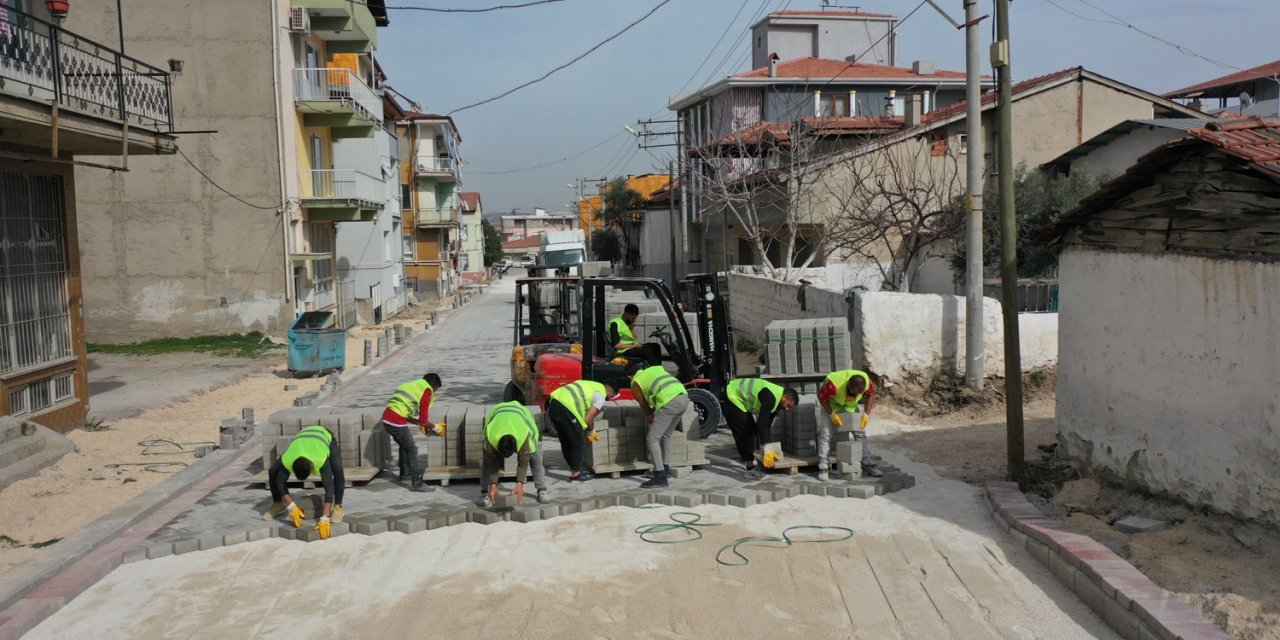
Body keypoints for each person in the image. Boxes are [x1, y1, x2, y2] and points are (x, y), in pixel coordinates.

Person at [262, 424, 344, 540]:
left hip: (323, 435)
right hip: (302, 439)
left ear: (311, 466)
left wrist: (325, 517)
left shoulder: (320, 459)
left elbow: (329, 487)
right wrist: (291, 506)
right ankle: (278, 505)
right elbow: (280, 482)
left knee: (338, 469)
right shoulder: (289, 458)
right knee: (273, 472)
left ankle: (338, 507)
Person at [720, 378, 799, 479]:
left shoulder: (777, 401)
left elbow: (766, 426)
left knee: (752, 430)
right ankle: (750, 469)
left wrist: (769, 447)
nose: (787, 409)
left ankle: (749, 461)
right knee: (746, 432)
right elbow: (762, 424)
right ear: (785, 397)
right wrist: (767, 447)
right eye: (788, 405)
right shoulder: (770, 398)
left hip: (738, 399)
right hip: (730, 397)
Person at [547, 378, 622, 481]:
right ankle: (576, 474)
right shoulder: (600, 396)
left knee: (566, 440)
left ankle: (574, 467)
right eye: (612, 396)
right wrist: (591, 431)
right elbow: (588, 418)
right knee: (579, 441)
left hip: (553, 404)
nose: (610, 398)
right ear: (610, 391)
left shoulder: (590, 384)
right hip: (566, 408)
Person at [478, 401, 551, 506]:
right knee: (487, 460)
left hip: (520, 413)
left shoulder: (522, 437)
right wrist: (493, 485)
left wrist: (519, 484)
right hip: (498, 411)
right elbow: (492, 463)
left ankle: (542, 489)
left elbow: (523, 463)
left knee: (533, 456)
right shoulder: (491, 438)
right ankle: (484, 493)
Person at [381, 372, 443, 493]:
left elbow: (405, 412)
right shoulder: (426, 391)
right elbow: (424, 420)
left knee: (404, 445)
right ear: (433, 386)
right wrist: (435, 427)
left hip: (387, 418)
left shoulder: (411, 386)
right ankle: (417, 483)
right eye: (436, 390)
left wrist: (419, 423)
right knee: (412, 449)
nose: (434, 393)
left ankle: (405, 474)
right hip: (396, 421)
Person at [630, 364, 690, 488]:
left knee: (652, 439)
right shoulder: (655, 369)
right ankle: (665, 468)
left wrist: (649, 417)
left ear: (629, 376)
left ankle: (660, 477)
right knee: (667, 435)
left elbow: (643, 405)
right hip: (683, 398)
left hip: (670, 402)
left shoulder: (635, 382)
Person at [816, 369, 880, 480]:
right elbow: (821, 396)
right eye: (853, 392)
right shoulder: (833, 385)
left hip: (849, 405)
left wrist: (866, 414)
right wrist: (832, 414)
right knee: (825, 434)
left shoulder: (866, 383)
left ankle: (867, 463)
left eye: (858, 393)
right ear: (848, 385)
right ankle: (823, 466)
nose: (856, 395)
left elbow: (870, 396)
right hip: (831, 403)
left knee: (860, 432)